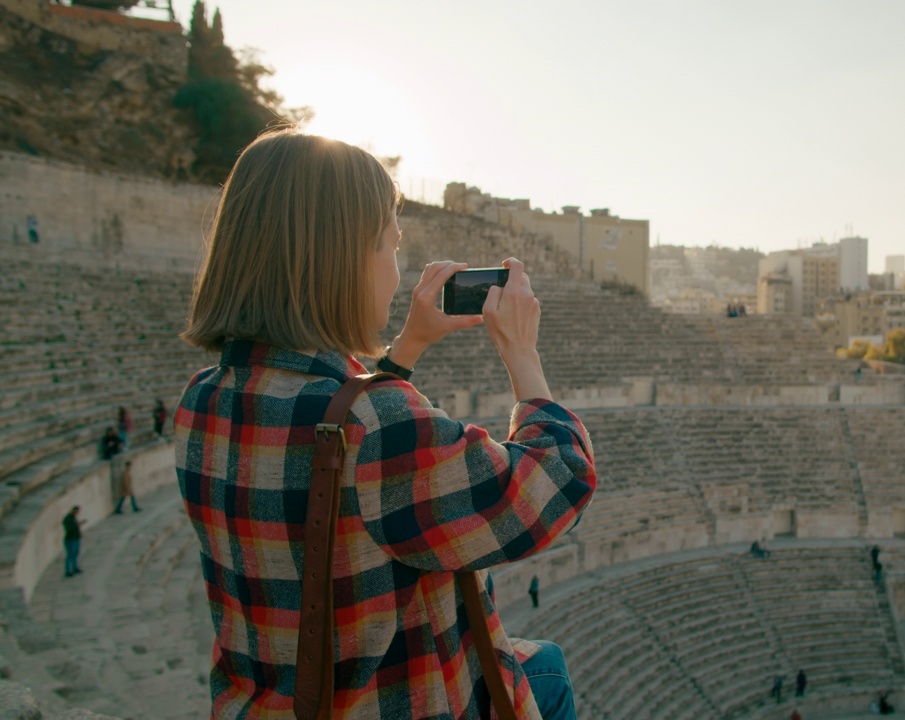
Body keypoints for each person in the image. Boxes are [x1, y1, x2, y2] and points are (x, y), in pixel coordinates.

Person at [174, 131, 597, 720]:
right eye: (390, 247)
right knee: (545, 672)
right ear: (343, 259)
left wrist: (407, 348)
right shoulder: (379, 428)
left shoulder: (201, 399)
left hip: (271, 703)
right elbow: (558, 484)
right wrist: (522, 353)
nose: (397, 273)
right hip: (392, 703)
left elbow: (325, 425)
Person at [62, 506, 84, 577]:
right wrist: (78, 524)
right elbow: (70, 528)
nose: (77, 513)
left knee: (75, 554)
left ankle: (75, 568)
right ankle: (68, 571)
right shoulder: (68, 519)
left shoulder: (72, 518)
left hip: (75, 538)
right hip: (70, 539)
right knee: (70, 555)